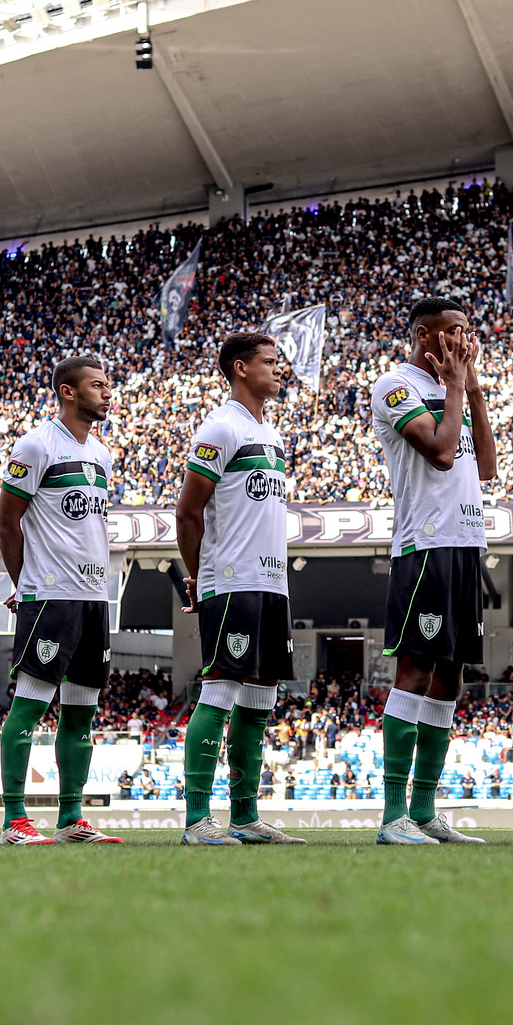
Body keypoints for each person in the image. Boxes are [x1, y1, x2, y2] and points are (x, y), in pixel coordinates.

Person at [368, 296, 498, 846]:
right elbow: (442, 454)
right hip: (426, 546)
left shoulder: (456, 390)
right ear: (425, 336)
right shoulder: (394, 386)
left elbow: (484, 465)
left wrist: (471, 389)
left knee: (451, 678)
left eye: (469, 331)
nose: (464, 341)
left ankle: (424, 812)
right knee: (416, 673)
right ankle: (393, 817)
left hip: (466, 544)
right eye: (455, 332)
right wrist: (452, 387)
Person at [174, 332, 306, 846]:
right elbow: (188, 511)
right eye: (269, 362)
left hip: (272, 583)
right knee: (222, 690)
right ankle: (197, 821)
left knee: (260, 698)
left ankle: (245, 818)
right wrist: (197, 574)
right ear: (239, 368)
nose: (278, 370)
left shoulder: (268, 433)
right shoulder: (220, 428)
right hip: (231, 581)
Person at [0, 354, 125, 846]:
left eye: (108, 385)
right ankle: (14, 821)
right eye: (98, 385)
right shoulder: (36, 444)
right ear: (69, 392)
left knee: (82, 710)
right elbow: (7, 521)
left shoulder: (101, 453)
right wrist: (25, 581)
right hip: (50, 595)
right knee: (29, 707)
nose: (107, 393)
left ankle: (72, 818)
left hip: (94, 597)